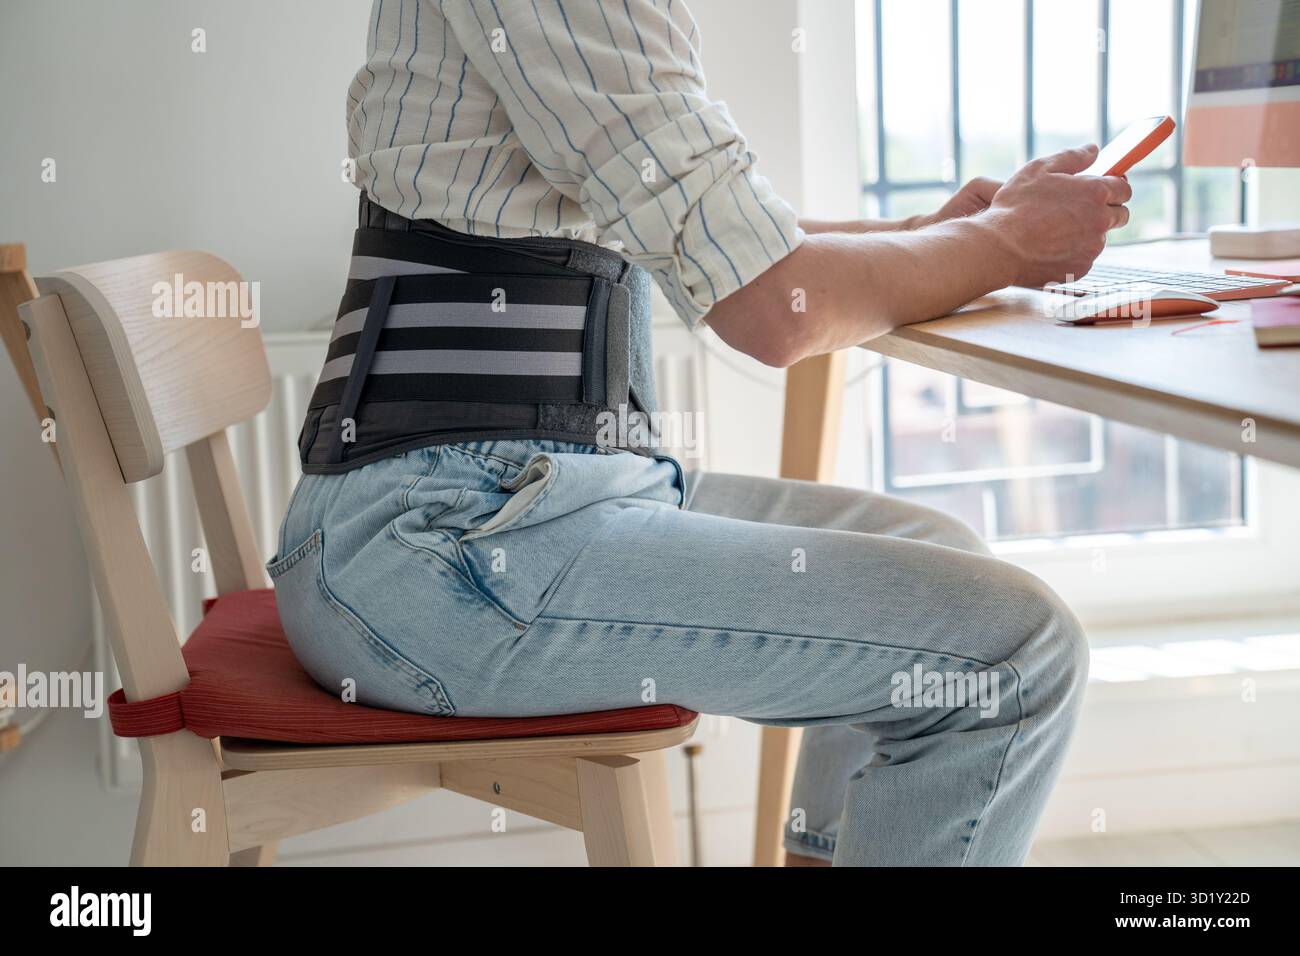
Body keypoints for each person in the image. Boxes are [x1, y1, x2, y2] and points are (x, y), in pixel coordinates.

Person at [269, 1, 1129, 866]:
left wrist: (940, 239)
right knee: (1014, 656)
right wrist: (1005, 242)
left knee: (943, 554)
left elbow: (731, 246)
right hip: (441, 545)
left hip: (526, 497)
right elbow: (775, 307)